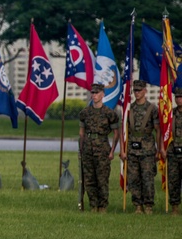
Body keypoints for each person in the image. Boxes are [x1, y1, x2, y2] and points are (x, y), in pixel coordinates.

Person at [78, 83, 121, 212]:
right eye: (93, 93)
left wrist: (112, 150)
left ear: (103, 95)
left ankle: (102, 206)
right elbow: (81, 132)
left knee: (102, 179)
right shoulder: (85, 113)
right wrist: (81, 149)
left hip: (102, 148)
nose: (94, 95)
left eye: (97, 93)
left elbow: (116, 133)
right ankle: (93, 205)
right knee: (89, 179)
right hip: (88, 148)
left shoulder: (109, 113)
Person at [121, 80, 163, 214]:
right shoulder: (129, 108)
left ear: (145, 91)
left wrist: (158, 149)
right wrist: (122, 150)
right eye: (135, 90)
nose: (137, 93)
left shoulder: (152, 108)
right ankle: (137, 205)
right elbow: (124, 130)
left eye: (139, 90)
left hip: (147, 149)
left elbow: (158, 130)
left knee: (148, 178)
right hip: (132, 149)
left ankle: (149, 205)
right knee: (133, 179)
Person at [168, 86, 182, 215]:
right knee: (173, 180)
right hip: (173, 152)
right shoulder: (170, 114)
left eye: (181, 97)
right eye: (177, 97)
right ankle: (174, 207)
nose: (179, 99)